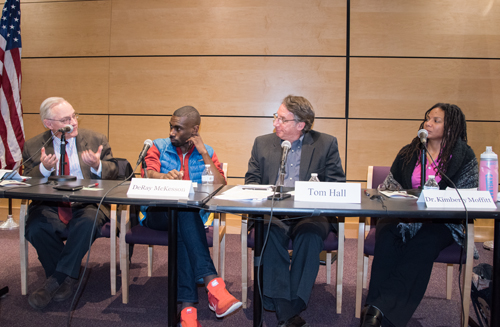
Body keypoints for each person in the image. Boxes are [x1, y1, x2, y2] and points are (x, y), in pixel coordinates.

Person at [360, 103, 479, 327]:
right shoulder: (409, 152)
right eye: (427, 118)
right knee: (386, 237)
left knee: (422, 245)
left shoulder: (464, 156)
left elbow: (466, 195)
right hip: (404, 216)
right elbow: (389, 187)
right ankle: (376, 312)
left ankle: (377, 309)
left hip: (443, 221)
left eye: (436, 120)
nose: (428, 123)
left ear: (451, 127)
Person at [245, 95, 346, 327]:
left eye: (282, 119)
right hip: (274, 212)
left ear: (301, 125)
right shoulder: (262, 143)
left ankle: (290, 303)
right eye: (275, 117)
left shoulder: (325, 143)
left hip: (310, 214)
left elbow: (337, 184)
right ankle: (287, 309)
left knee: (310, 237)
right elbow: (251, 181)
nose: (275, 123)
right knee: (268, 233)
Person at [140, 105, 241, 327]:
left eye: (178, 128)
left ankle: (188, 311)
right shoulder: (158, 146)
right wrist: (163, 177)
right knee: (184, 214)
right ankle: (214, 285)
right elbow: (147, 172)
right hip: (157, 214)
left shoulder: (207, 151)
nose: (171, 132)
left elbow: (220, 185)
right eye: (170, 126)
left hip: (190, 217)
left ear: (194, 130)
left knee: (184, 224)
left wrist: (204, 153)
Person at [22, 97, 118, 309]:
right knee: (36, 228)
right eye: (66, 119)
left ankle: (55, 281)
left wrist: (97, 166)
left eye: (74, 116)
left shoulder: (95, 139)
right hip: (49, 205)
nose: (74, 122)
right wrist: (45, 170)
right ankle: (67, 277)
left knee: (87, 223)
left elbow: (116, 172)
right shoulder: (34, 145)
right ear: (49, 124)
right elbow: (26, 180)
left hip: (88, 203)